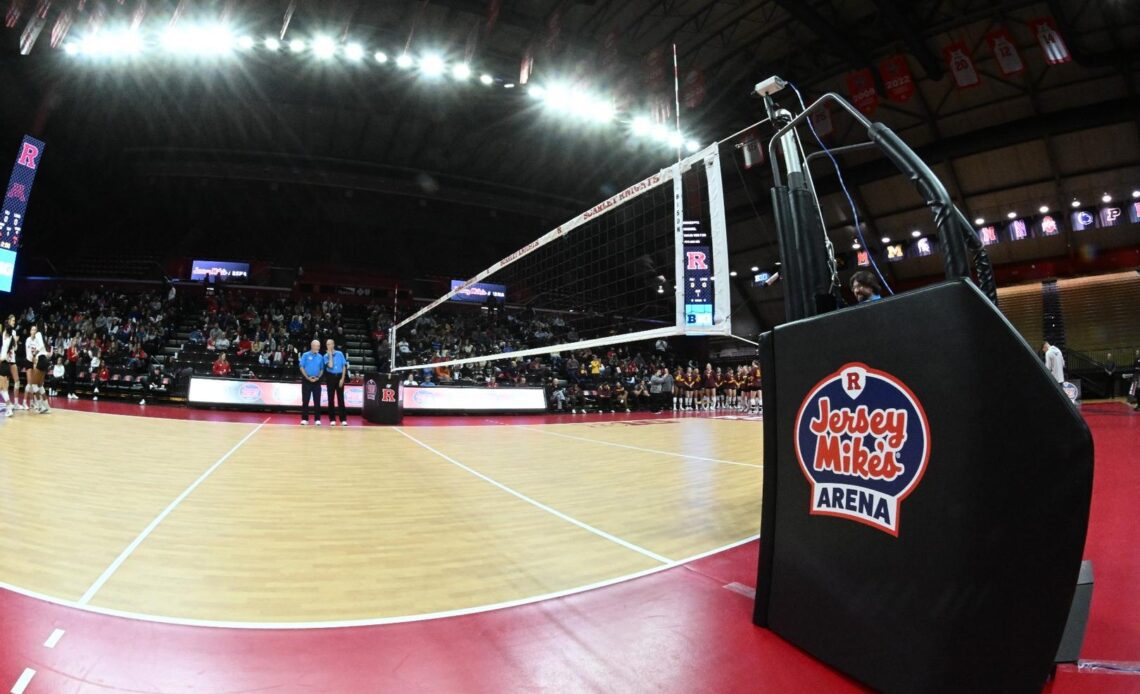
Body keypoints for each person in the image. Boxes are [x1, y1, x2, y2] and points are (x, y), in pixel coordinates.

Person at [24, 324, 50, 413]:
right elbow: (44, 349)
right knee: (40, 385)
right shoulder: (42, 335)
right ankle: (47, 406)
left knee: (34, 384)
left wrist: (35, 353)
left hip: (41, 361)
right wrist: (48, 354)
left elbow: (41, 346)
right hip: (44, 361)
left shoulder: (39, 334)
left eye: (36, 328)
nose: (35, 330)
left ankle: (40, 406)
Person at [299, 339, 324, 426]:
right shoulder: (305, 355)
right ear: (312, 346)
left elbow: (322, 369)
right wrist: (308, 377)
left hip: (317, 381)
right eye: (316, 346)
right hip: (306, 380)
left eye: (319, 346)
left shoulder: (320, 356)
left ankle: (317, 419)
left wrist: (318, 377)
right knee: (305, 400)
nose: (318, 348)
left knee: (317, 400)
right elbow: (301, 367)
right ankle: (305, 419)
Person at [324, 338, 349, 426]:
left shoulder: (340, 353)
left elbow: (344, 366)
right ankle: (332, 419)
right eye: (327, 344)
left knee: (340, 399)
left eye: (330, 344)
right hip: (330, 377)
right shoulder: (325, 356)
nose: (329, 346)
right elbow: (330, 365)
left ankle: (343, 419)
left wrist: (342, 379)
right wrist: (330, 355)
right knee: (330, 398)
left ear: (333, 344)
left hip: (339, 377)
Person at [3, 315, 23, 410]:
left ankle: (15, 403)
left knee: (17, 381)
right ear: (9, 321)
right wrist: (14, 341)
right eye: (13, 320)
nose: (14, 322)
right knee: (5, 383)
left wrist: (15, 342)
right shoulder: (5, 332)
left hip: (12, 359)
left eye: (15, 320)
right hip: (6, 360)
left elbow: (15, 348)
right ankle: (8, 404)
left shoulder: (14, 332)